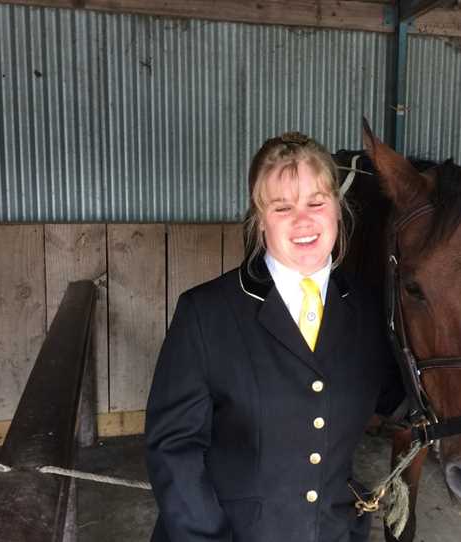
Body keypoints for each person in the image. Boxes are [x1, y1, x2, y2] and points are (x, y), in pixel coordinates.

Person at [145, 132, 402, 542]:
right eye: (282, 207)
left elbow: (399, 401)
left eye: (316, 202)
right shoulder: (206, 314)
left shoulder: (367, 310)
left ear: (338, 208)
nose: (303, 220)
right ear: (260, 220)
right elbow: (174, 449)